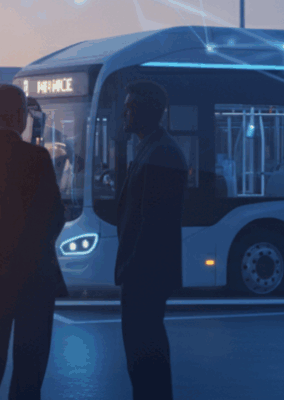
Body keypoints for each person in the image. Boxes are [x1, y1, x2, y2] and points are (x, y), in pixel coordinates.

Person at [0, 84, 68, 400]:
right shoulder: (37, 157)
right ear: (21, 115)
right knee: (29, 366)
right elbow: (55, 216)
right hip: (34, 276)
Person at [113, 80, 188, 400]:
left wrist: (130, 267)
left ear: (149, 110)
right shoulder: (153, 148)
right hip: (144, 271)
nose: (124, 113)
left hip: (145, 272)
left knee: (145, 356)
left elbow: (153, 222)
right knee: (144, 355)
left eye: (130, 107)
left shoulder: (162, 154)